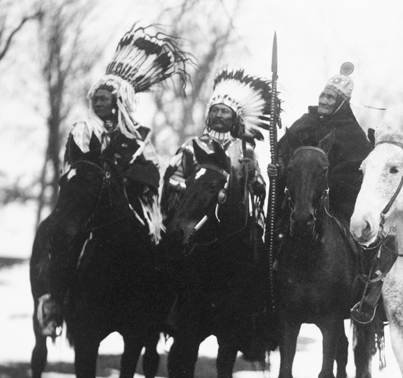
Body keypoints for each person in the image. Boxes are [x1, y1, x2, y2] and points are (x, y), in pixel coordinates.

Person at [42, 26, 189, 337]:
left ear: (118, 101)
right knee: (64, 239)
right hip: (85, 205)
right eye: (95, 98)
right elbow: (78, 165)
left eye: (104, 98)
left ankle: (158, 311)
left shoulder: (139, 138)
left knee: (157, 246)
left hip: (129, 205)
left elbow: (151, 173)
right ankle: (56, 303)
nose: (98, 103)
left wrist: (130, 179)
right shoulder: (83, 130)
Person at [162, 68, 271, 225]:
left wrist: (252, 174)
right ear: (209, 114)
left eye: (225, 111)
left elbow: (259, 189)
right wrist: (191, 188)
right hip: (193, 219)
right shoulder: (191, 147)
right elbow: (172, 180)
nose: (219, 115)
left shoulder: (245, 151)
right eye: (215, 110)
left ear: (235, 118)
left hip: (232, 222)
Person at [269, 62, 372, 224]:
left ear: (342, 103)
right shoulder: (305, 122)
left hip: (335, 210)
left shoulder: (353, 134)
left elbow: (357, 175)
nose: (323, 101)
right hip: (295, 203)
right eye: (322, 96)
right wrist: (279, 167)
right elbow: (283, 153)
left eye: (330, 97)